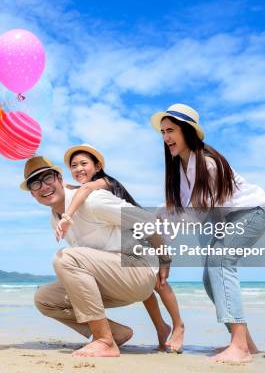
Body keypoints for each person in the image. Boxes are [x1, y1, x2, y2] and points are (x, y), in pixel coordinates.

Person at [150, 103, 265, 363]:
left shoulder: (207, 164)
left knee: (220, 262)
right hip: (226, 218)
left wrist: (165, 250)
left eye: (170, 130)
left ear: (187, 131)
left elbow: (194, 216)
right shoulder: (181, 168)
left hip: (253, 211)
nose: (166, 138)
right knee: (210, 276)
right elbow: (181, 210)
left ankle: (239, 346)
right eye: (162, 132)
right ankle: (246, 344)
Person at [21, 156, 170, 357]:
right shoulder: (54, 219)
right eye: (35, 184)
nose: (43, 187)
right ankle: (115, 333)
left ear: (59, 178)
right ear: (32, 194)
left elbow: (147, 220)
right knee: (44, 299)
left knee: (65, 258)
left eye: (47, 178)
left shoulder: (93, 201)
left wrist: (165, 259)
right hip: (112, 278)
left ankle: (104, 341)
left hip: (136, 270)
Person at [55, 144, 185, 352]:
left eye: (83, 164)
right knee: (147, 289)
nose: (78, 169)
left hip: (142, 235)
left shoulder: (102, 182)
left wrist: (68, 215)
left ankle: (178, 326)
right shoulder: (86, 188)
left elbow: (85, 190)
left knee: (159, 283)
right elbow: (75, 190)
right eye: (74, 165)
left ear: (97, 166)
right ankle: (161, 328)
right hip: (124, 240)